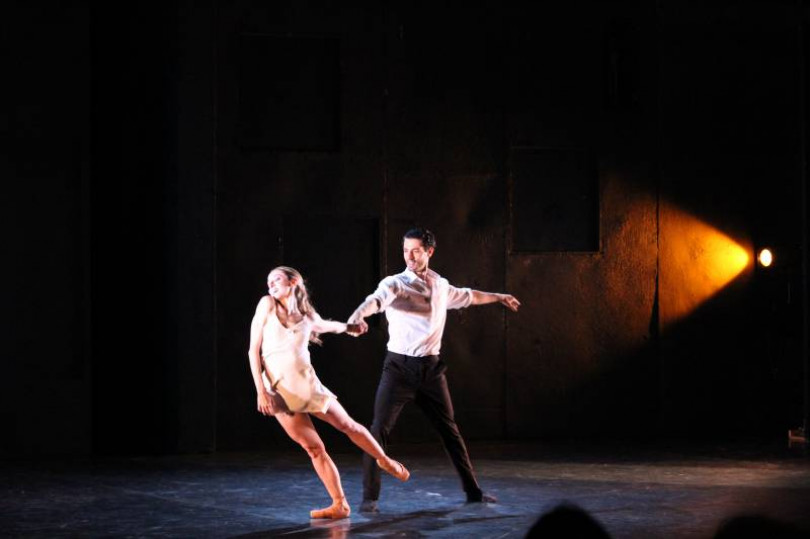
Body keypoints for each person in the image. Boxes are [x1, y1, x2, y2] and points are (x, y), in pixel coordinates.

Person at [348, 227, 521, 513]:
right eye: (406, 250)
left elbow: (468, 296)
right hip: (399, 369)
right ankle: (370, 497)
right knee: (377, 431)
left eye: (416, 251)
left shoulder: (440, 285)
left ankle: (473, 492)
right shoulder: (395, 284)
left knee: (450, 431)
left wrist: (498, 296)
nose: (409, 256)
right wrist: (357, 316)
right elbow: (375, 301)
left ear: (429, 251)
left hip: (430, 370)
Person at [248, 266, 410, 520]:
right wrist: (261, 391)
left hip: (307, 385)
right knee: (313, 448)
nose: (271, 284)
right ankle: (339, 504)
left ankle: (383, 460)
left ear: (293, 282)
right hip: (279, 389)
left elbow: (325, 326)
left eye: (276, 279)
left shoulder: (306, 314)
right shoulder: (266, 304)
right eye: (268, 281)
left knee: (348, 425)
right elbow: (253, 350)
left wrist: (348, 327)